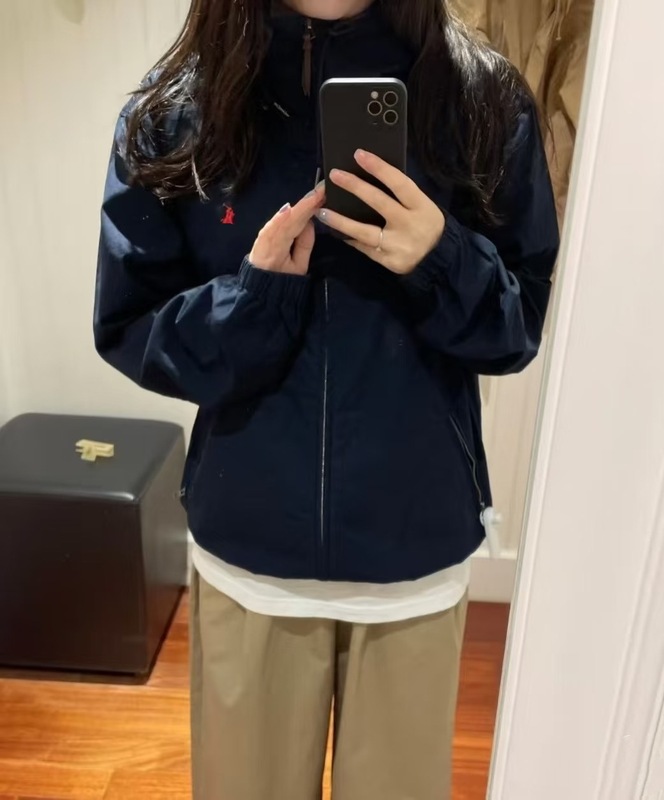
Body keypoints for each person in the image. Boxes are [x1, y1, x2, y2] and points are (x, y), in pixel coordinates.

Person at [93, 0, 559, 797]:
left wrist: (440, 257)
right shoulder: (175, 110)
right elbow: (130, 325)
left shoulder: (482, 101)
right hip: (251, 550)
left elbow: (517, 329)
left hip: (413, 549)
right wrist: (254, 300)